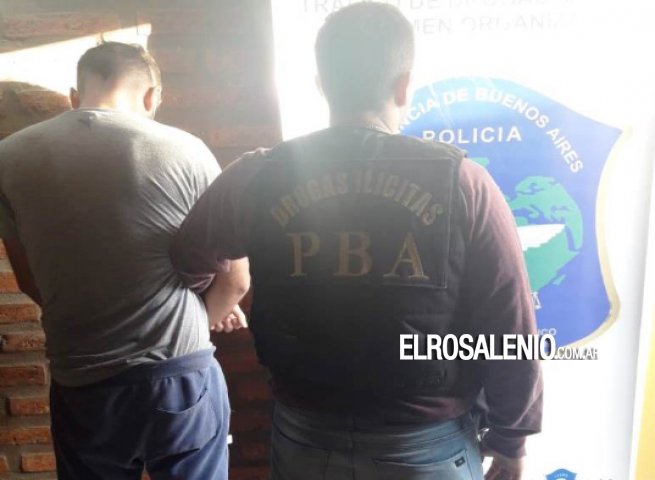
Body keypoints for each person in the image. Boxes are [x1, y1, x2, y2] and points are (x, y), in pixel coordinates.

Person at [171, 3, 542, 480]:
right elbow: (510, 326)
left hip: (306, 434)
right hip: (424, 445)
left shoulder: (259, 174)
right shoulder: (463, 182)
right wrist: (511, 441)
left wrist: (218, 298)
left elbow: (187, 257)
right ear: (404, 85)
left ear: (322, 84)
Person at [0, 42, 249, 480]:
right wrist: (193, 319)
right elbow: (236, 281)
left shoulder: (8, 158)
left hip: (83, 382)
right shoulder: (186, 150)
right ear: (152, 96)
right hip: (178, 376)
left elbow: (29, 279)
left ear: (73, 97)